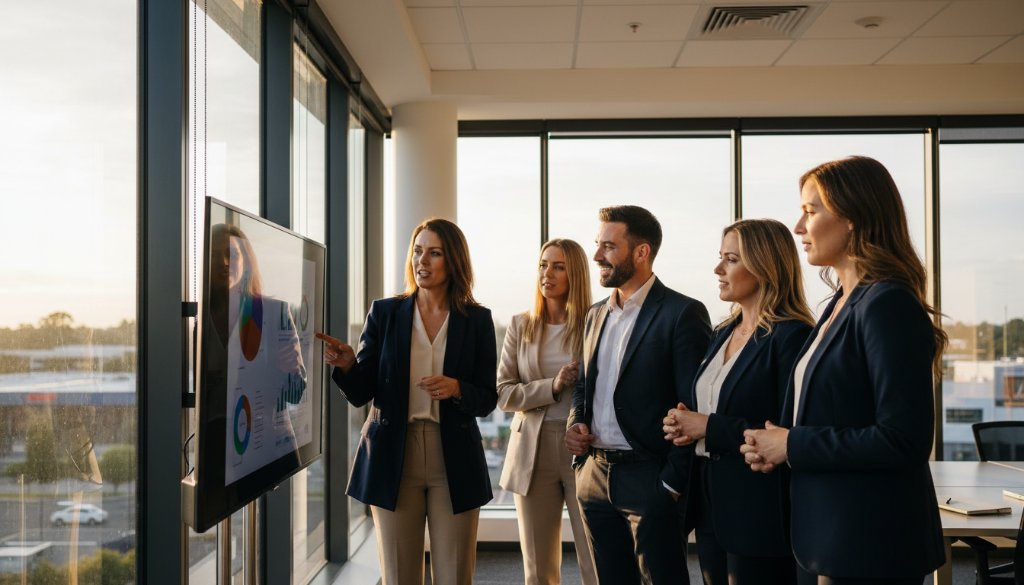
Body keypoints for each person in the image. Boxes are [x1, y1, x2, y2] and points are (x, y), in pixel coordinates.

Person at [740, 156, 947, 585]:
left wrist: (792, 444)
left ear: (852, 217)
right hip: (824, 534)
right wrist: (776, 445)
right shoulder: (839, 303)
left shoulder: (887, 304)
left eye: (810, 211)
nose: (798, 226)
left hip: (868, 541)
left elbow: (903, 439)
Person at [320, 218, 497, 585]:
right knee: (399, 575)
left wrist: (457, 388)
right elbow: (361, 393)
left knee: (454, 575)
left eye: (435, 253)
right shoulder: (385, 313)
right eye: (418, 251)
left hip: (454, 455)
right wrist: (349, 365)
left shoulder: (477, 320)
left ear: (454, 260)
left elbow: (487, 398)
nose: (422, 261)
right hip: (392, 454)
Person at [564, 205, 711, 585]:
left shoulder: (683, 313)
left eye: (609, 246)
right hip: (594, 476)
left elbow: (694, 405)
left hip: (650, 477)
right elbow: (584, 387)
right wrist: (576, 423)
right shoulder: (594, 315)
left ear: (642, 252)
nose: (597, 255)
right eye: (598, 244)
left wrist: (671, 484)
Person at [662, 219, 813, 585]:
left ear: (764, 266)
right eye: (721, 257)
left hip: (758, 509)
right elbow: (714, 408)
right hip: (711, 503)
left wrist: (706, 427)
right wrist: (684, 424)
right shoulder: (722, 332)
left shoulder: (792, 336)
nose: (718, 269)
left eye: (731, 259)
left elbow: (786, 429)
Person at [497, 238, 598, 585]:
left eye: (558, 267)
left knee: (596, 561)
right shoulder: (520, 325)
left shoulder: (595, 323)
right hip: (532, 450)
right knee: (538, 569)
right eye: (543, 265)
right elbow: (504, 394)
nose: (547, 274)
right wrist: (552, 386)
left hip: (585, 449)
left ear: (575, 274)